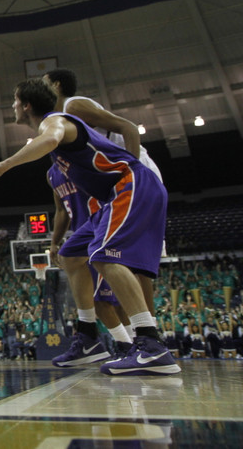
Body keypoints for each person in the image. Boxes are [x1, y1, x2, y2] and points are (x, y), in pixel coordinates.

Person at [0, 78, 179, 375]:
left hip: (130, 184)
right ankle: (88, 339)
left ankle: (150, 345)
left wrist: (4, 165)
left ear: (26, 104)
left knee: (105, 256)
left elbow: (49, 139)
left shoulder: (56, 120)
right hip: (109, 197)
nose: (13, 106)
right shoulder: (56, 151)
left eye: (15, 101)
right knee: (71, 255)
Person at [43, 67, 164, 316]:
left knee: (121, 261)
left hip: (136, 177)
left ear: (56, 86)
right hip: (120, 185)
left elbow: (128, 127)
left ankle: (149, 338)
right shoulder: (62, 120)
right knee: (116, 260)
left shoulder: (72, 107)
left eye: (42, 83)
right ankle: (141, 337)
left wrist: (132, 173)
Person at [48, 163, 134, 367]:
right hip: (82, 237)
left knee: (105, 300)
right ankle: (127, 345)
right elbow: (61, 210)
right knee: (101, 299)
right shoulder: (51, 174)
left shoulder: (80, 161)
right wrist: (54, 241)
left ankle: (128, 346)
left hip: (103, 229)